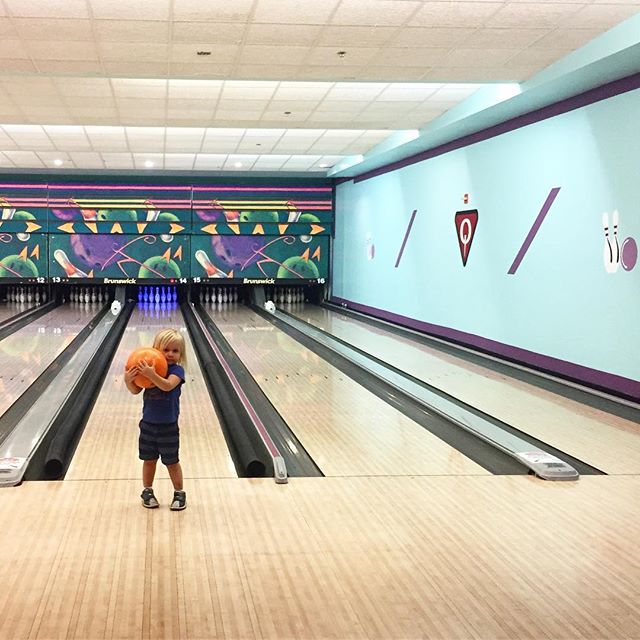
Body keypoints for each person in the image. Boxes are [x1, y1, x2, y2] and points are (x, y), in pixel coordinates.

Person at [125, 328, 187, 511]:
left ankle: (179, 492)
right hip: (148, 425)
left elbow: (167, 386)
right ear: (156, 349)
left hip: (168, 426)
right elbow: (136, 391)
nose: (170, 354)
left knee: (172, 461)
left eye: (175, 351)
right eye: (166, 349)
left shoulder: (177, 371)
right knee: (149, 460)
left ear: (180, 354)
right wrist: (129, 380)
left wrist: (152, 375)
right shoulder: (148, 367)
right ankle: (147, 491)